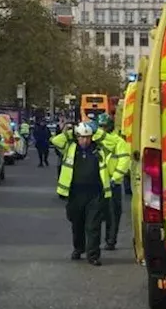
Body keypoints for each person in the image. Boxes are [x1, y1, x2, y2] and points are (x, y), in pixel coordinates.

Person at [52, 121, 128, 266]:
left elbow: (115, 142)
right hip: (75, 193)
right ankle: (78, 248)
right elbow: (56, 140)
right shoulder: (70, 147)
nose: (85, 140)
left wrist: (97, 132)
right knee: (77, 223)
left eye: (88, 137)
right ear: (77, 137)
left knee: (93, 225)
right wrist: (70, 132)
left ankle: (93, 255)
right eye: (81, 137)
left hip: (95, 194)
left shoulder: (99, 148)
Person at [94, 113, 129, 251]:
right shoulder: (96, 140)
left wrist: (116, 177)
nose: (102, 129)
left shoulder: (118, 141)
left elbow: (124, 160)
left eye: (104, 126)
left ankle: (110, 240)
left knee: (113, 214)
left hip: (113, 183)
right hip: (97, 182)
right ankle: (94, 241)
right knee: (95, 214)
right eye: (100, 126)